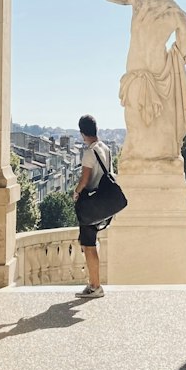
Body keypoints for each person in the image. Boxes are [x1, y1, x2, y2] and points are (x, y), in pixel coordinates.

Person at [104, 0, 186, 161]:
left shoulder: (139, 0)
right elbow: (182, 52)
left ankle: (140, 161)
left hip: (134, 69)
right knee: (161, 127)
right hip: (160, 73)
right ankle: (162, 159)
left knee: (134, 123)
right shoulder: (179, 16)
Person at [72, 114, 113, 299]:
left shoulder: (90, 152)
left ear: (82, 133)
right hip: (104, 200)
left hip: (91, 202)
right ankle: (95, 284)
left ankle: (95, 286)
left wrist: (76, 192)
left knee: (89, 245)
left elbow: (85, 178)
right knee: (90, 243)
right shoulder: (106, 148)